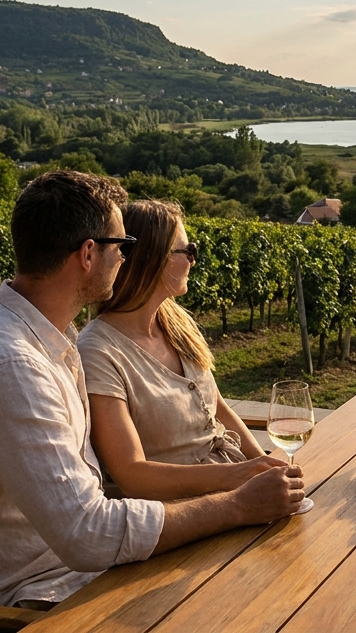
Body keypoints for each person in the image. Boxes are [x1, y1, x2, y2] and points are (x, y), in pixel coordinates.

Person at [0, 171, 304, 609]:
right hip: (17, 600)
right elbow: (87, 533)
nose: (126, 258)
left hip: (65, 572)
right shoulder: (10, 366)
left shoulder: (44, 337)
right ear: (87, 254)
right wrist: (234, 505)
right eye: (123, 247)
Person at [81, 199, 283, 500]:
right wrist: (238, 477)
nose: (193, 259)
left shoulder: (175, 322)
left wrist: (266, 467)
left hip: (237, 494)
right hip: (184, 514)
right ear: (154, 259)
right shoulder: (99, 352)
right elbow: (132, 475)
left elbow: (220, 410)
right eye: (188, 251)